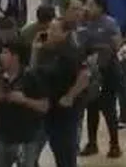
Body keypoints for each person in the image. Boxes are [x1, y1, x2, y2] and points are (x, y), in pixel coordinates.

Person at [34, 18, 90, 167]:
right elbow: (35, 71)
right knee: (41, 147)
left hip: (65, 110)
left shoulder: (72, 51)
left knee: (64, 151)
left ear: (65, 33)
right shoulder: (46, 49)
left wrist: (70, 96)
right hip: (47, 107)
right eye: (49, 29)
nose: (49, 32)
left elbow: (85, 76)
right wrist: (35, 49)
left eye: (54, 29)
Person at [0, 39, 49, 167]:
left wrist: (24, 100)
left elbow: (44, 106)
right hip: (1, 138)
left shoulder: (31, 77)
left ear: (15, 57)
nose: (1, 56)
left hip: (26, 140)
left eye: (5, 53)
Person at [77, 0, 122, 158]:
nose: (87, 8)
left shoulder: (109, 23)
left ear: (101, 7)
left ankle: (115, 144)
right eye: (86, 5)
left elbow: (117, 44)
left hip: (108, 71)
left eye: (91, 5)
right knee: (92, 108)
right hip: (91, 71)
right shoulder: (83, 24)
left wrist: (101, 49)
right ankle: (92, 143)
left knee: (109, 109)